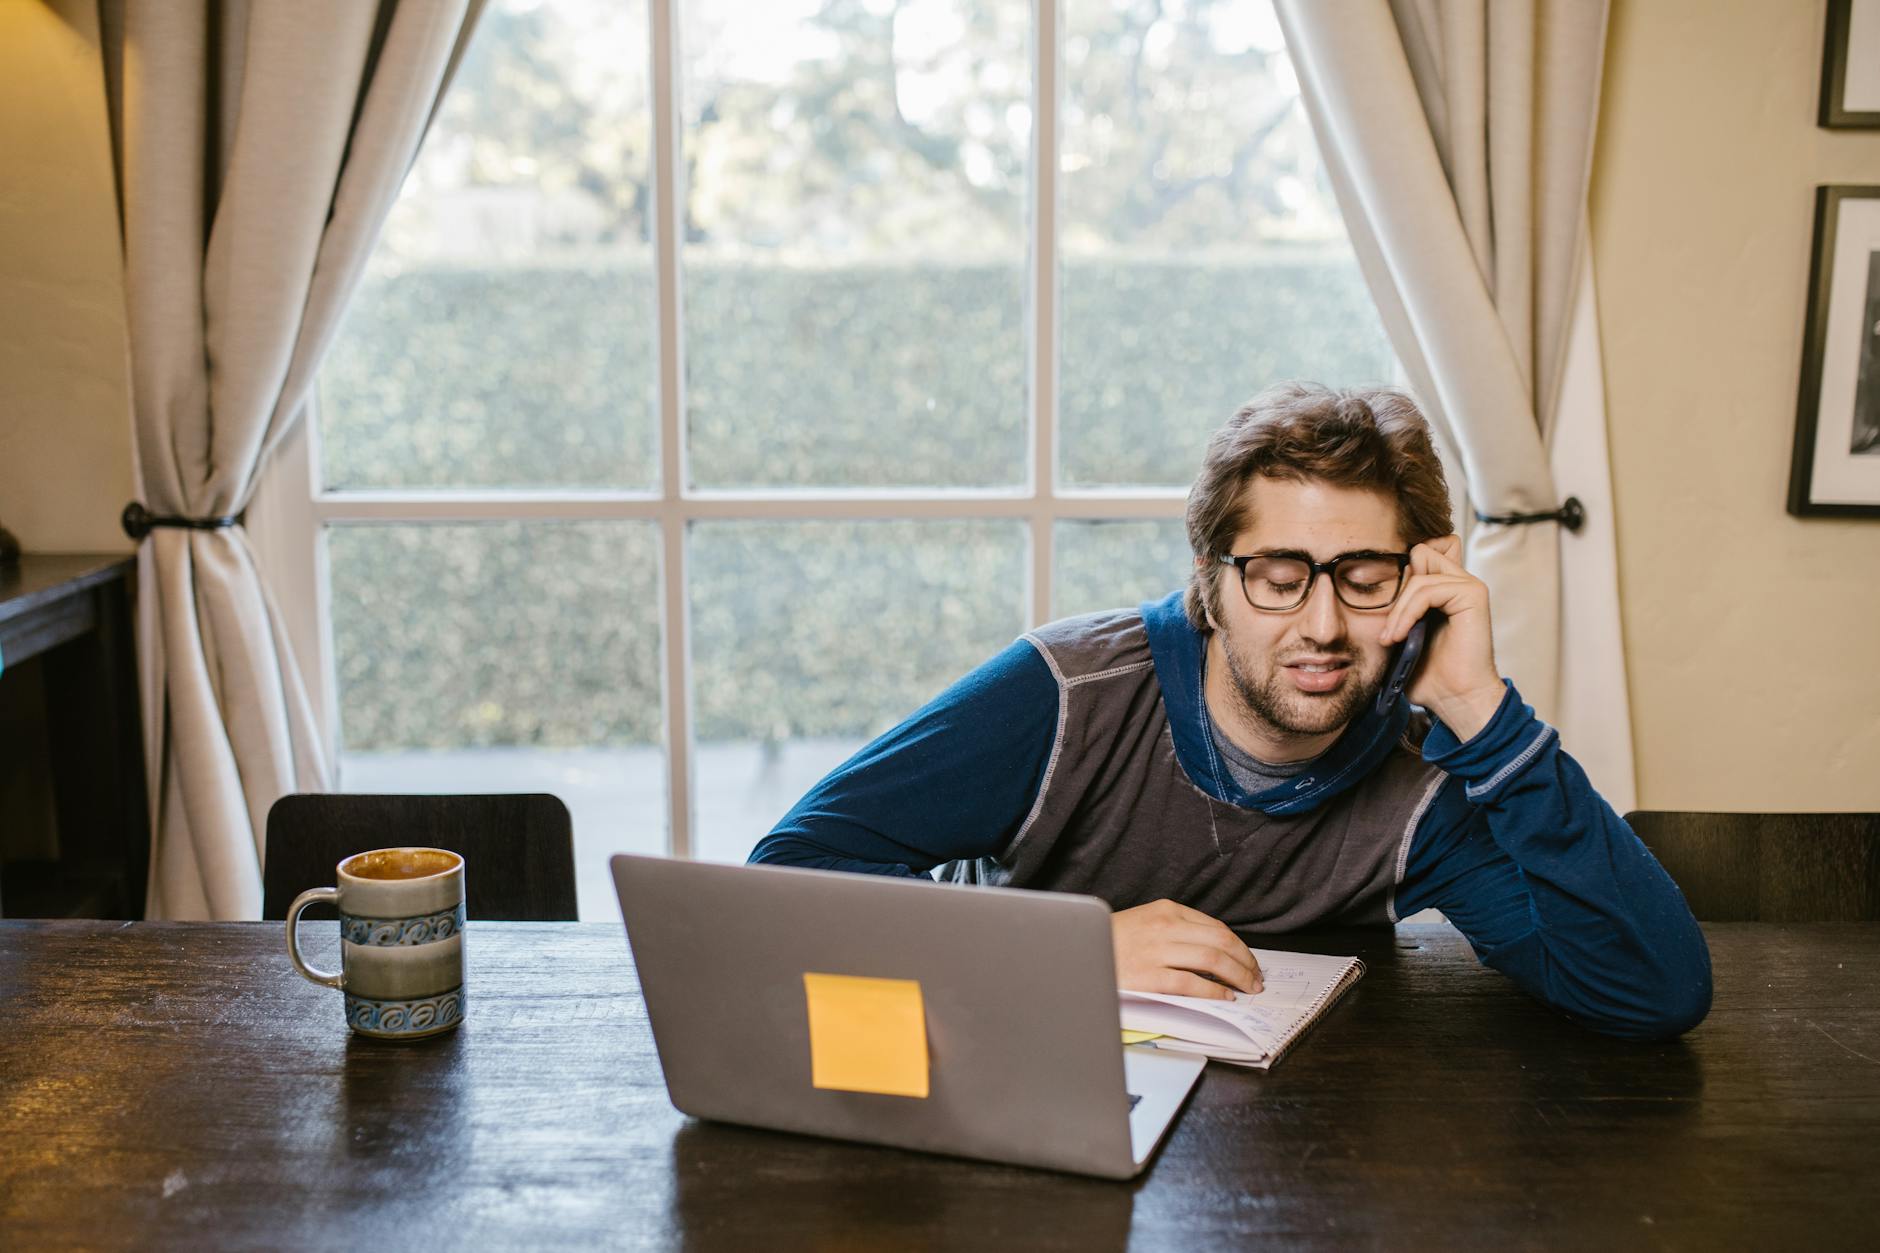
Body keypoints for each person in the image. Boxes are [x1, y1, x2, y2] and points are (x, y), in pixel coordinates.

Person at [749, 382, 1711, 1039]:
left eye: (1366, 578)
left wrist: (1480, 708)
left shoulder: (1431, 780)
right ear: (1210, 584)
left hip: (1304, 1140)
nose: (1323, 625)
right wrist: (1067, 956)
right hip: (1018, 1068)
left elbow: (1650, 994)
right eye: (1279, 577)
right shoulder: (1066, 692)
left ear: (1422, 582)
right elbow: (786, 880)